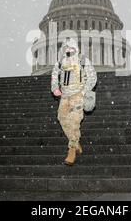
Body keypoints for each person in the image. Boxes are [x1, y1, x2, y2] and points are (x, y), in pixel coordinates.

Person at [50, 38, 97, 166]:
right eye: (66, 48)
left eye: (71, 48)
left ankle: (71, 149)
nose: (69, 50)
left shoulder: (83, 60)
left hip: (78, 95)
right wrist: (54, 88)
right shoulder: (61, 62)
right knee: (62, 118)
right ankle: (76, 142)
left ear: (76, 48)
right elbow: (54, 74)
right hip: (65, 96)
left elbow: (93, 77)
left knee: (74, 121)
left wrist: (83, 92)